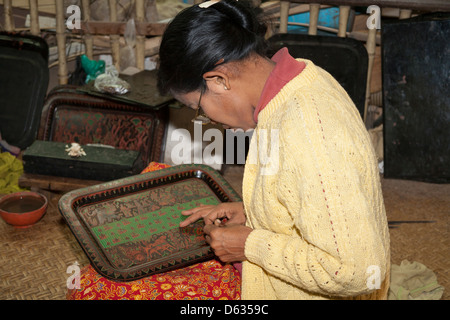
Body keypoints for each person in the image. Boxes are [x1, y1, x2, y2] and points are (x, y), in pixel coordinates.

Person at [157, 0, 390, 300]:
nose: (209, 121)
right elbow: (308, 195)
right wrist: (253, 213)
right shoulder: (301, 78)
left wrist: (250, 244)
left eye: (198, 108)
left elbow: (356, 270)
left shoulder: (307, 129)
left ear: (218, 81)